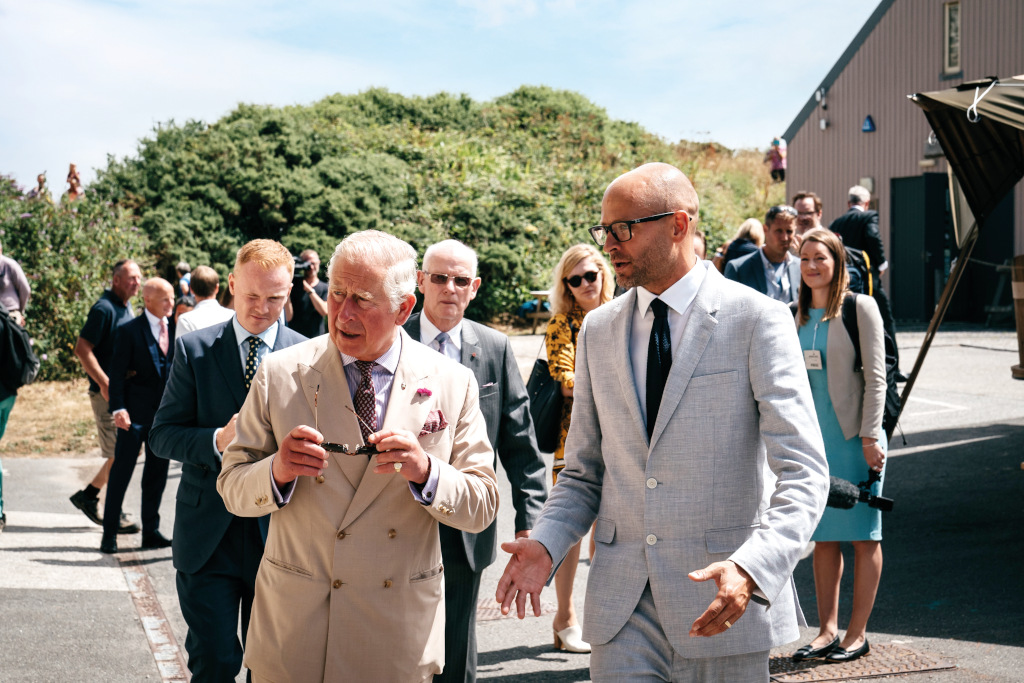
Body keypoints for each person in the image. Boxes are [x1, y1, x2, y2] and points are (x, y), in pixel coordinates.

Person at [496, 162, 829, 682]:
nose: (608, 244)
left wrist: (753, 566)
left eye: (622, 228)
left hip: (722, 602)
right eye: (602, 229)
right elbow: (583, 473)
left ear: (679, 225)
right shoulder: (598, 331)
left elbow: (805, 472)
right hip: (621, 609)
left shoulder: (758, 319)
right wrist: (546, 543)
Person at [216, 230, 499, 682]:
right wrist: (278, 470)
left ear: (404, 309)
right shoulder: (280, 372)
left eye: (363, 299)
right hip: (297, 630)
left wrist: (425, 471)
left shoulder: (453, 381)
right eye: (337, 293)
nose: (342, 312)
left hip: (395, 633)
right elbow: (232, 487)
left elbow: (482, 505)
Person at [150, 241, 306, 682]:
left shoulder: (310, 354)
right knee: (214, 662)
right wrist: (218, 439)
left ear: (289, 290)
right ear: (231, 285)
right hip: (207, 540)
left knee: (272, 666)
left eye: (274, 298)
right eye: (251, 296)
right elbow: (162, 436)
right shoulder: (194, 349)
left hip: (280, 535)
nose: (261, 308)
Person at [403, 239, 547, 682]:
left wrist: (531, 526)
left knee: (457, 653)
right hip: (397, 522)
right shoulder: (390, 336)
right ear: (420, 281)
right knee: (395, 649)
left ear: (475, 287)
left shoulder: (495, 348)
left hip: (466, 528)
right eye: (440, 278)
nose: (450, 287)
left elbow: (521, 445)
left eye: (460, 280)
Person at [792, 228, 887, 664]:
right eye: (805, 258)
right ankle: (826, 629)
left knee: (864, 537)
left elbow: (877, 378)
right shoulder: (792, 315)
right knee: (823, 538)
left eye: (821, 258)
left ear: (837, 262)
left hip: (855, 438)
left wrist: (870, 436)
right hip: (814, 442)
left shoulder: (858, 307)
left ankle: (857, 632)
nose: (812, 266)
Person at [543, 243, 615, 654]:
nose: (586, 284)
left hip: (623, 437)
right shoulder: (562, 324)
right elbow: (565, 380)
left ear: (604, 274)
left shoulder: (623, 315)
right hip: (575, 440)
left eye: (592, 275)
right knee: (572, 529)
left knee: (610, 529)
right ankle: (565, 615)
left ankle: (600, 617)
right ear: (567, 286)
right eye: (576, 279)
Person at [101, 278, 176, 554]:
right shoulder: (129, 331)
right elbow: (117, 373)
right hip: (132, 416)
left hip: (163, 418)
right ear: (148, 301)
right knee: (121, 474)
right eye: (165, 299)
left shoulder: (175, 327)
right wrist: (118, 408)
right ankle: (109, 533)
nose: (171, 303)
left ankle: (151, 531)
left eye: (172, 298)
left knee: (157, 476)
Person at [69, 260, 142, 535]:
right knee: (122, 453)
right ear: (116, 280)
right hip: (107, 394)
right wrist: (105, 382)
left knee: (127, 451)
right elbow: (82, 348)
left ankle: (89, 496)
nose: (137, 282)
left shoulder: (125, 306)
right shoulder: (104, 309)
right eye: (131, 278)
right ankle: (107, 505)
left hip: (124, 393)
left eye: (138, 278)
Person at [828, 185, 904, 380]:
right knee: (885, 319)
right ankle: (892, 367)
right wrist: (881, 263)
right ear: (867, 203)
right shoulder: (868, 217)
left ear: (848, 203)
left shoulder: (837, 223)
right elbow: (873, 237)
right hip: (868, 279)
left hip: (845, 281)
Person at [725, 205, 801, 303]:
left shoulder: (801, 267)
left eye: (789, 231)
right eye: (779, 231)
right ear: (765, 230)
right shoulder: (739, 269)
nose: (785, 238)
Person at [174, 265, 233, 339]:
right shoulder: (233, 316)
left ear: (191, 290)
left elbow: (181, 349)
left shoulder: (185, 321)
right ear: (217, 288)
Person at [285, 248, 328, 338]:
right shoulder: (293, 285)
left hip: (316, 338)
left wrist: (309, 290)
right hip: (294, 337)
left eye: (313, 263)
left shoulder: (325, 287)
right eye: (307, 264)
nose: (311, 267)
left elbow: (324, 311)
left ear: (319, 262)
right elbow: (288, 316)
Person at [0, 240, 31, 327]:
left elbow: (25, 289)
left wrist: (20, 311)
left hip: (10, 314)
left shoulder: (10, 265)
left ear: (1, 250)